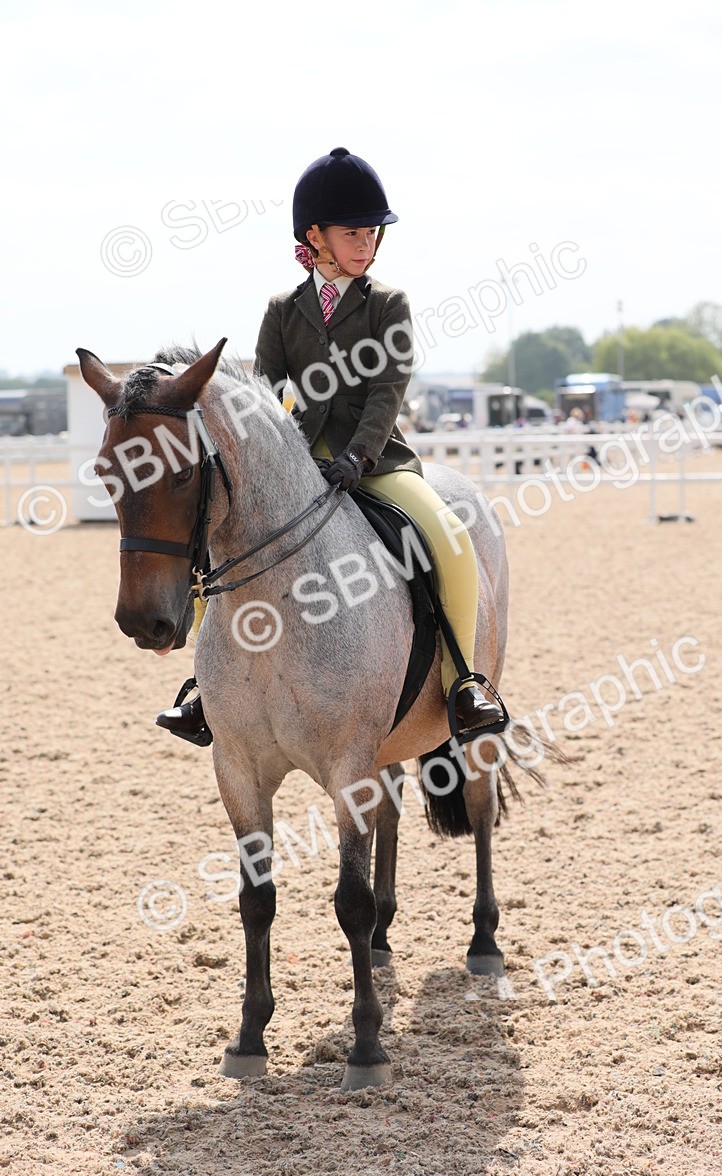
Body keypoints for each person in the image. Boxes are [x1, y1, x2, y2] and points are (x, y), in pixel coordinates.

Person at [157, 147, 503, 742]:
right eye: (352, 232)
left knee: (449, 540)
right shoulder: (282, 311)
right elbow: (266, 395)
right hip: (298, 465)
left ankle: (464, 681)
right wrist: (281, 455)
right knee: (215, 547)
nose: (366, 243)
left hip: (375, 463)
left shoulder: (387, 304)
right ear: (313, 237)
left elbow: (389, 387)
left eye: (372, 232)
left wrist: (358, 454)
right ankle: (203, 690)